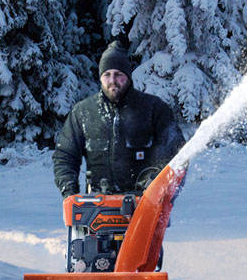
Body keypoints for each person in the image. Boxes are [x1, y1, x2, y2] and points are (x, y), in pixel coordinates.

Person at [52, 41, 186, 197]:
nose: (112, 80)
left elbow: (177, 153)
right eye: (107, 75)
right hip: (97, 209)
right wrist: (69, 189)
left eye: (118, 74)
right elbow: (65, 156)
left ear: (128, 77)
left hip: (145, 207)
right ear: (101, 78)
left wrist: (156, 182)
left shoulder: (154, 109)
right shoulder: (83, 113)